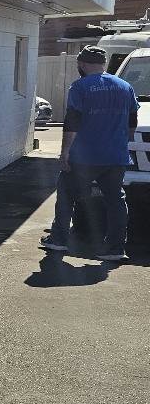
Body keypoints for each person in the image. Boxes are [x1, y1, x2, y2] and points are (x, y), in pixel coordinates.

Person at [41, 45, 139, 261]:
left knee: (67, 195)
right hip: (115, 157)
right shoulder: (125, 86)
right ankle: (115, 248)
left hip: (84, 158)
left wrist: (65, 152)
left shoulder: (80, 87)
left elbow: (72, 121)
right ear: (103, 63)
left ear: (82, 64)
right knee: (116, 201)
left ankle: (58, 240)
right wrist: (124, 140)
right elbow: (132, 120)